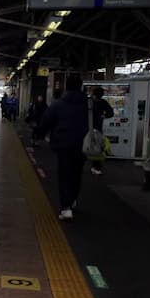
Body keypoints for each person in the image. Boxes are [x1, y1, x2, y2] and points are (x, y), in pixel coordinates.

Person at [36, 75, 88, 221]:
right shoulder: (88, 104)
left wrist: (39, 134)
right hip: (83, 145)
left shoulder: (58, 104)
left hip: (63, 145)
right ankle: (72, 200)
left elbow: (46, 121)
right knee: (77, 174)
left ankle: (66, 208)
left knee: (64, 175)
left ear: (67, 86)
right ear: (80, 86)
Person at [89, 86, 114, 175]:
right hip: (98, 129)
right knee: (97, 148)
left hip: (86, 128)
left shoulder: (89, 101)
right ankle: (96, 167)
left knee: (85, 146)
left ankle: (90, 166)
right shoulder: (103, 102)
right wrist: (104, 116)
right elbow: (111, 113)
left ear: (93, 94)